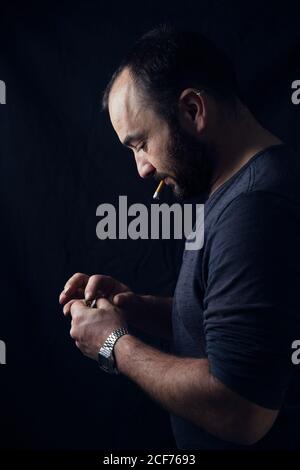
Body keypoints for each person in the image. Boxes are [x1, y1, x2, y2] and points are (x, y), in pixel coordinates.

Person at [59, 25, 300, 449]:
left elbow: (241, 410)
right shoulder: (235, 188)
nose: (142, 169)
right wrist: (136, 310)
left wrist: (114, 343)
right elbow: (231, 321)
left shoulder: (254, 208)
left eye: (141, 144)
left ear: (192, 110)